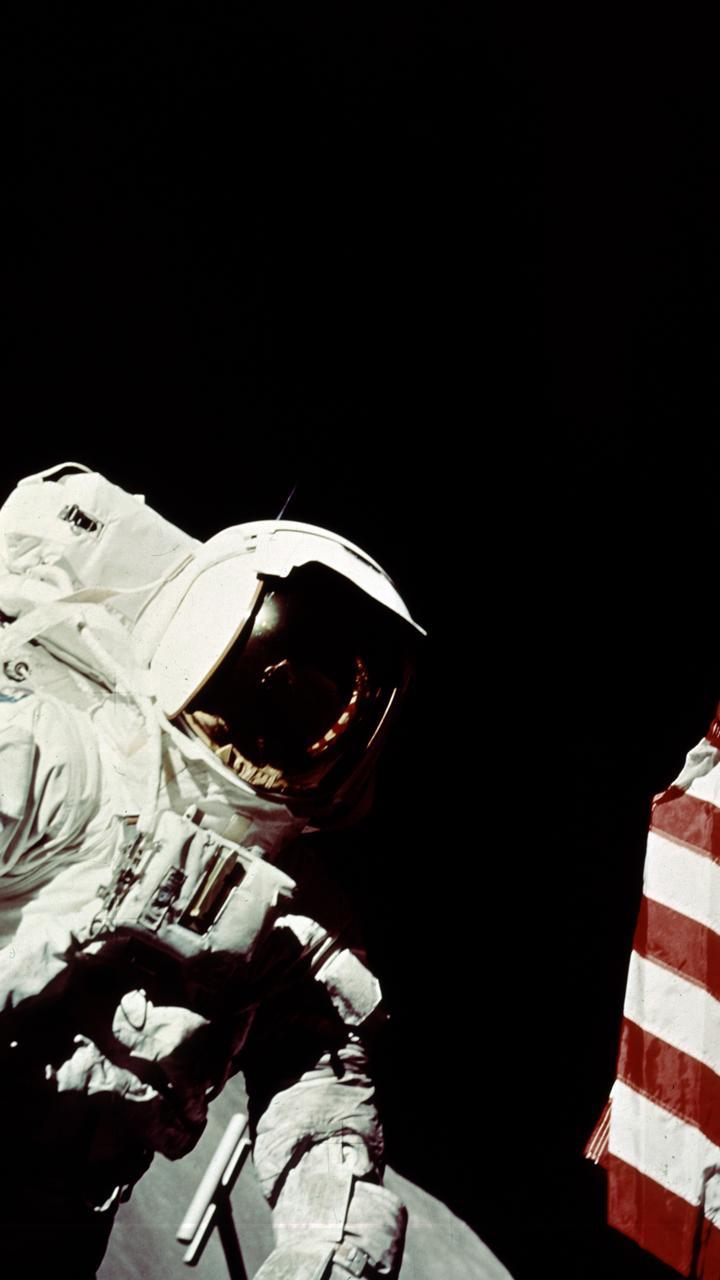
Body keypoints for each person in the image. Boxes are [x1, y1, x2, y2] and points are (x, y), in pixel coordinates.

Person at [0, 463, 422, 1279]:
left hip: (53, 1219)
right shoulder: (57, 762)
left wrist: (329, 1244)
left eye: (340, 709)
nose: (313, 721)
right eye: (293, 687)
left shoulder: (297, 910)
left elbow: (325, 1087)